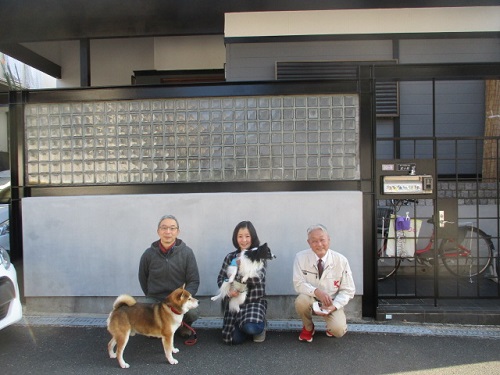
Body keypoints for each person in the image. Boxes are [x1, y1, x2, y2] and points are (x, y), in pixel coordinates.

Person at [138, 214, 200, 337]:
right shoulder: (148, 254)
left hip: (178, 299)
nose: (168, 232)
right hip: (156, 298)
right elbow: (143, 278)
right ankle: (157, 328)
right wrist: (151, 294)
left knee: (193, 313)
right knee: (143, 309)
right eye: (164, 228)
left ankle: (183, 325)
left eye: (172, 228)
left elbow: (194, 280)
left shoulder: (187, 253)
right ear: (158, 231)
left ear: (178, 231)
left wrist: (182, 298)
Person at [292, 224, 355, 342]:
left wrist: (334, 305)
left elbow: (348, 290)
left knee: (339, 330)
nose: (319, 244)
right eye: (314, 241)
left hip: (332, 301)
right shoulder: (300, 257)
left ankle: (330, 327)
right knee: (301, 301)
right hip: (311, 298)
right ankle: (308, 327)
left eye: (322, 240)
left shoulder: (341, 260)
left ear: (329, 240)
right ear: (308, 242)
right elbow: (298, 283)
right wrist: (316, 292)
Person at [216, 220, 268, 344]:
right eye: (240, 236)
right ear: (235, 238)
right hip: (234, 303)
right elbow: (220, 279)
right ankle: (243, 325)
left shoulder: (258, 255)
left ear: (253, 237)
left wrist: (237, 286)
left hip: (252, 303)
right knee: (232, 340)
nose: (244, 240)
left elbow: (256, 279)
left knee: (251, 327)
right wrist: (228, 291)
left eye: (247, 236)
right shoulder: (230, 257)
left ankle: (259, 327)